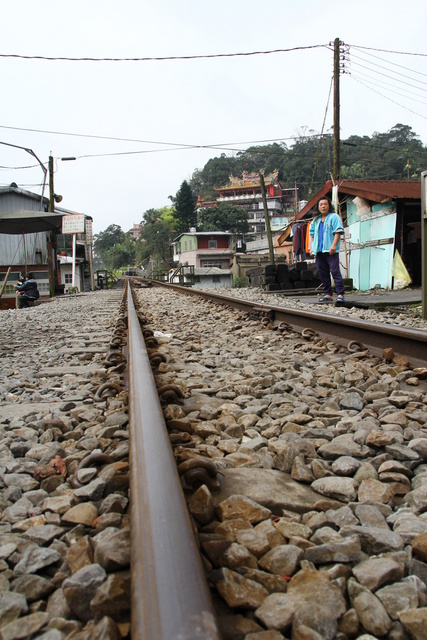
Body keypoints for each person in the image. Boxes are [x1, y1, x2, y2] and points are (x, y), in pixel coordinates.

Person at [309, 196, 346, 303]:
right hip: (319, 251)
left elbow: (338, 232)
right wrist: (312, 247)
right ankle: (328, 294)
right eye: (321, 205)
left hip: (330, 250)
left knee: (334, 271)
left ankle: (340, 293)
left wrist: (334, 245)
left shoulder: (334, 217)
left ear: (329, 206)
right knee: (322, 272)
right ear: (318, 207)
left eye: (325, 204)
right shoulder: (315, 220)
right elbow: (312, 234)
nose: (323, 206)